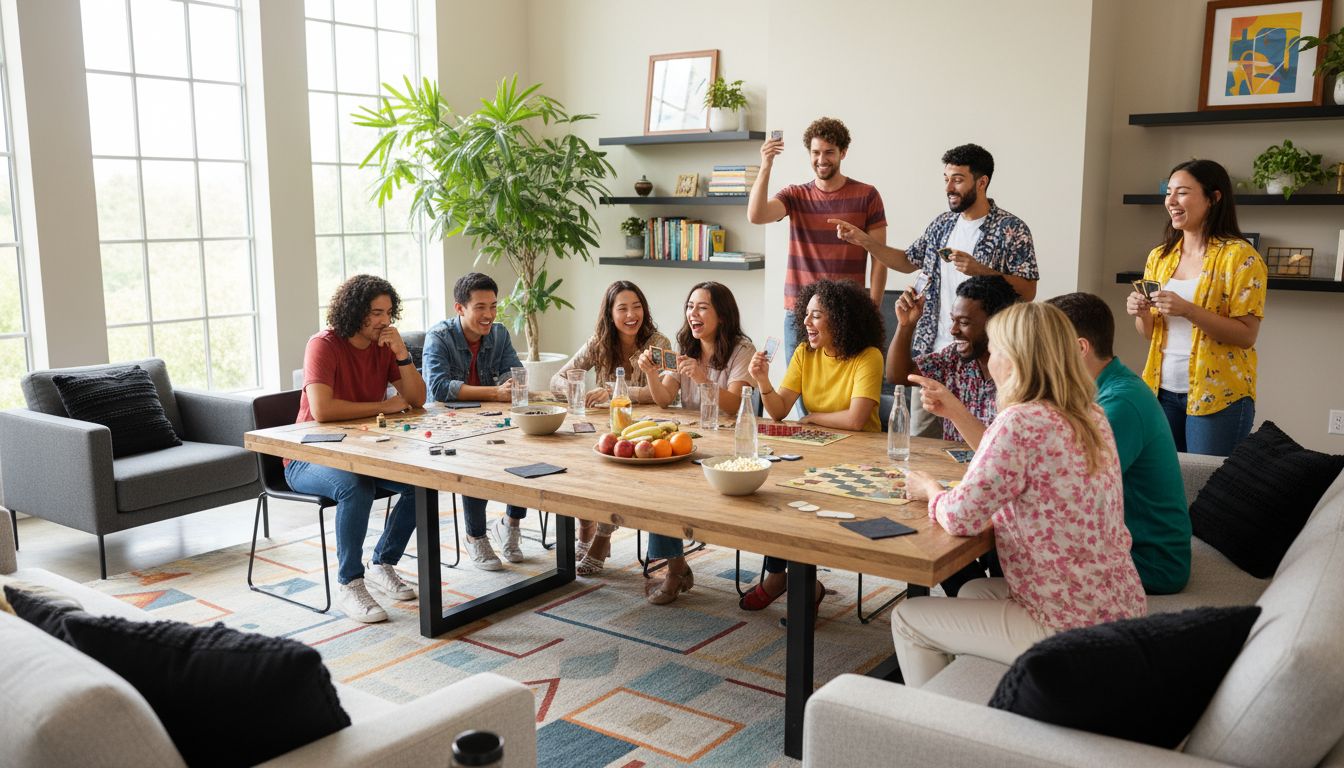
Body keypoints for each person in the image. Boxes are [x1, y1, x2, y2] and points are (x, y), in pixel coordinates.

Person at [892, 302, 1145, 687]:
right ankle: (986, 687)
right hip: (1119, 606)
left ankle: (936, 729)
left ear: (1014, 359)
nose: (989, 357)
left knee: (907, 619)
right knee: (974, 589)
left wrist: (931, 489)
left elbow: (961, 517)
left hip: (1067, 626)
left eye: (994, 349)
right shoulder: (1090, 414)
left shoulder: (1020, 421)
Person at [831, 143, 1038, 439]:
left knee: (985, 440)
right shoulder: (941, 225)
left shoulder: (1012, 229)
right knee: (922, 444)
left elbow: (1028, 289)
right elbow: (905, 261)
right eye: (946, 179)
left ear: (982, 182)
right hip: (934, 353)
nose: (949, 188)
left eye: (957, 179)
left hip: (986, 358)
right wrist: (865, 242)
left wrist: (983, 270)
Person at [285, 274, 427, 623]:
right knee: (355, 487)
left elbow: (418, 400)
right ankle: (350, 582)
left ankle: (382, 562)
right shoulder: (324, 345)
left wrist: (403, 354)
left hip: (364, 452)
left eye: (389, 312)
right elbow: (323, 410)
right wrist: (385, 408)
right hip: (308, 457)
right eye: (376, 313)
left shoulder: (385, 347)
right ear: (354, 312)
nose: (384, 321)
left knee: (422, 483)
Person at [742, 278, 885, 613]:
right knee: (776, 491)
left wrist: (811, 418)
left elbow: (855, 420)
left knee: (799, 500)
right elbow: (778, 411)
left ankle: (794, 582)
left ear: (840, 319)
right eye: (805, 314)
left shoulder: (869, 356)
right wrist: (763, 381)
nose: (805, 322)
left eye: (816, 315)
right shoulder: (805, 354)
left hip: (862, 459)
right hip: (818, 450)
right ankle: (782, 577)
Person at [1047, 292, 1191, 594]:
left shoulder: (1119, 402)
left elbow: (1066, 487)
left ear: (1079, 348)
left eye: (1045, 344)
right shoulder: (1092, 389)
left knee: (1012, 541)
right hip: (1120, 543)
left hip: (1150, 561)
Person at [1127, 159, 1266, 457]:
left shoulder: (1241, 256)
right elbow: (1150, 334)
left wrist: (1189, 310)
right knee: (1167, 486)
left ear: (1214, 198)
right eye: (1169, 192)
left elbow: (1246, 335)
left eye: (1183, 192)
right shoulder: (1159, 257)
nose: (1171, 201)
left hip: (1218, 397)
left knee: (1206, 492)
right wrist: (1141, 313)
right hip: (1161, 391)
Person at [638, 281, 755, 604]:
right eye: (690, 306)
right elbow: (663, 399)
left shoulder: (742, 350)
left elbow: (736, 405)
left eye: (702, 307)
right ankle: (676, 566)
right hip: (690, 441)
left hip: (730, 447)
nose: (693, 313)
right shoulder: (684, 347)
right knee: (657, 487)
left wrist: (703, 380)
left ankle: (676, 571)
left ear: (722, 314)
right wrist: (650, 373)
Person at [549, 280, 672, 575]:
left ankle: (601, 538)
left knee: (611, 472)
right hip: (605, 427)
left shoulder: (659, 343)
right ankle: (585, 528)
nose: (631, 315)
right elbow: (556, 380)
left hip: (647, 430)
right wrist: (576, 389)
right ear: (609, 314)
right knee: (576, 462)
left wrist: (616, 391)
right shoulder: (599, 342)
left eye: (637, 307)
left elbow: (669, 394)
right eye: (623, 309)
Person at [748, 117, 888, 359]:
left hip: (847, 311)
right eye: (815, 152)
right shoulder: (795, 195)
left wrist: (872, 309)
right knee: (800, 393)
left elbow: (880, 257)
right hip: (800, 312)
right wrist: (766, 165)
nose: (821, 160)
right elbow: (756, 215)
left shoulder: (867, 195)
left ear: (843, 153)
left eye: (829, 152)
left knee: (846, 393)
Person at [422, 272, 531, 571]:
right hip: (449, 423)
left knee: (526, 450)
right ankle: (475, 536)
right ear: (460, 308)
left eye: (493, 306)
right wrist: (496, 392)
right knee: (475, 459)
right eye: (480, 307)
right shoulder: (439, 336)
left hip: (491, 417)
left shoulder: (499, 334)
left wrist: (512, 385)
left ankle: (510, 524)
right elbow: (439, 389)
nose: (489, 315)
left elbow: (515, 372)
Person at [885, 275, 1019, 446]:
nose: (953, 330)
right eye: (953, 320)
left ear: (996, 322)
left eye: (963, 322)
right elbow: (898, 375)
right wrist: (906, 325)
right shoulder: (953, 357)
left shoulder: (1021, 371)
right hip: (954, 468)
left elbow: (1004, 451)